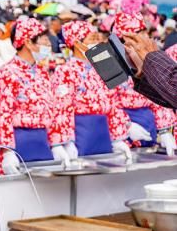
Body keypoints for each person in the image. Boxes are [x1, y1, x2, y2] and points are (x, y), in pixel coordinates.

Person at [0, 16, 76, 171]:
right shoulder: (6, 73)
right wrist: (7, 151)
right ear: (27, 42)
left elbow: (52, 109)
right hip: (19, 141)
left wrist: (57, 143)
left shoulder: (42, 72)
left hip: (43, 141)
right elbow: (1, 115)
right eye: (43, 40)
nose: (48, 44)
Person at [59, 20, 148, 156]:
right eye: (92, 38)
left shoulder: (104, 64)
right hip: (81, 130)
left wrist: (118, 136)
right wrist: (66, 142)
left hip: (104, 129)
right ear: (77, 43)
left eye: (97, 37)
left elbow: (113, 103)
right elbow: (63, 109)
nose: (97, 41)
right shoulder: (65, 71)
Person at [111, 13, 177, 155]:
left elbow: (167, 89)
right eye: (135, 35)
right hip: (124, 124)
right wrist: (123, 125)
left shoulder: (156, 55)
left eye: (143, 33)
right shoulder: (111, 62)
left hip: (148, 119)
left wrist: (165, 129)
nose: (142, 39)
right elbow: (108, 101)